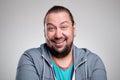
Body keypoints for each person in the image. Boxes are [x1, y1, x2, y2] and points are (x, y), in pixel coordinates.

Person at [16, 5, 107, 80]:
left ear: (73, 29)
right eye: (51, 28)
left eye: (64, 27)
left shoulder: (93, 62)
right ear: (45, 32)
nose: (58, 35)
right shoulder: (30, 59)